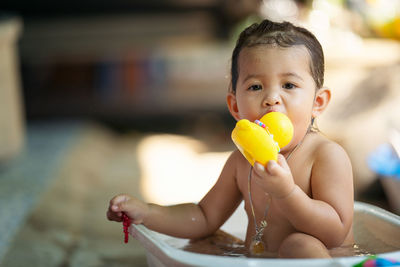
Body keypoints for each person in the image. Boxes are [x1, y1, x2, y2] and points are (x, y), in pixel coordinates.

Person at [106, 19, 354, 258]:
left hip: (321, 259)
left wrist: (287, 193)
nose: (272, 98)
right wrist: (147, 212)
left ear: (317, 103)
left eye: (288, 85)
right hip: (258, 258)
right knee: (204, 240)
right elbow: (204, 217)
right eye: (256, 87)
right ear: (235, 107)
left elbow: (334, 234)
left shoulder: (325, 155)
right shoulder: (240, 161)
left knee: (299, 244)